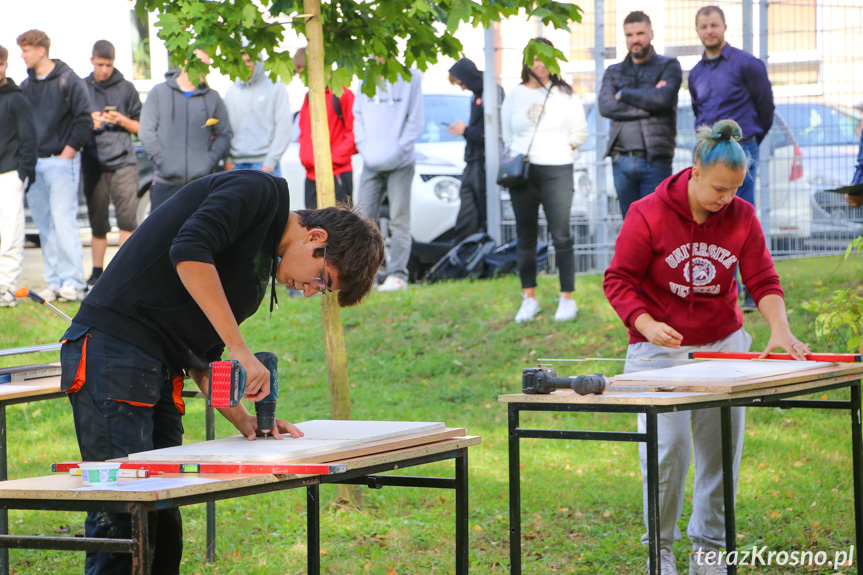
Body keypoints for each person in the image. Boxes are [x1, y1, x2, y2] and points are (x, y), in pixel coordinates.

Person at [59, 169, 384, 574]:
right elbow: (189, 249)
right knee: (123, 514)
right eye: (322, 280)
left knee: (161, 509)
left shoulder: (255, 276)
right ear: (316, 238)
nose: (309, 290)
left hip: (156, 367)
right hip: (113, 348)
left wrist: (246, 421)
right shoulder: (260, 191)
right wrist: (242, 350)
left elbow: (202, 355)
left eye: (322, 290)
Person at [603, 120, 810, 575]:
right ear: (694, 170)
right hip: (658, 351)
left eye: (735, 189)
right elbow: (618, 280)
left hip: (723, 346)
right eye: (719, 187)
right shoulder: (647, 212)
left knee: (720, 449)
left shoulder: (742, 216)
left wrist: (780, 329)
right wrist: (645, 322)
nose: (726, 198)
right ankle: (658, 548)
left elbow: (763, 279)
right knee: (668, 450)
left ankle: (710, 549)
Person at [689, 5, 774, 312]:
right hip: (709, 156)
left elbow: (765, 106)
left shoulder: (746, 64)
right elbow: (699, 113)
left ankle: (754, 292)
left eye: (714, 25)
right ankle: (724, 290)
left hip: (742, 152)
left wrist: (749, 144)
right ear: (697, 31)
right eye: (703, 26)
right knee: (711, 221)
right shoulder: (696, 73)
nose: (709, 30)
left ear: (724, 27)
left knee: (743, 220)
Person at [500, 38, 588, 323]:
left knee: (561, 235)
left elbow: (580, 133)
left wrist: (560, 150)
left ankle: (567, 297)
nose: (539, 63)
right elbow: (508, 134)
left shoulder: (566, 94)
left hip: (557, 169)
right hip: (524, 173)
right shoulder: (515, 95)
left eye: (545, 57)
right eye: (534, 57)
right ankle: (529, 298)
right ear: (527, 61)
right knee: (525, 236)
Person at [17, 29, 92, 302]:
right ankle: (55, 281)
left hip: (61, 162)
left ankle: (73, 282)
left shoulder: (68, 79)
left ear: (41, 50)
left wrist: (66, 155)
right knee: (44, 226)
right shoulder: (25, 86)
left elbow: (85, 119)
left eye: (25, 50)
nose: (22, 56)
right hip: (35, 166)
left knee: (64, 224)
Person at [598, 11, 682, 218]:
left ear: (651, 34)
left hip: (655, 161)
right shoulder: (613, 71)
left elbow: (663, 99)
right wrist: (649, 101)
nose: (635, 39)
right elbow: (606, 107)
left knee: (657, 223)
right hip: (622, 161)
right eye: (629, 35)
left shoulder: (669, 66)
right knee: (630, 225)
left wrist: (624, 94)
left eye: (640, 33)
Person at [354, 65, 424, 292]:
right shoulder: (365, 74)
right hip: (370, 160)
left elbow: (415, 119)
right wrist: (364, 146)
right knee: (362, 220)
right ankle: (366, 275)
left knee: (399, 219)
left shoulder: (410, 75)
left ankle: (398, 275)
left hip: (401, 161)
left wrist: (399, 148)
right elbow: (358, 116)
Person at [139, 50, 232, 211]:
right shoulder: (159, 92)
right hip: (165, 183)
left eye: (208, 67)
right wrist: (162, 160)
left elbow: (224, 134)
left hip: (201, 185)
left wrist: (207, 161)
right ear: (186, 63)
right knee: (163, 235)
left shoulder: (212, 97)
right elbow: (146, 131)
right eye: (201, 65)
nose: (206, 71)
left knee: (200, 235)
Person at [82, 40, 142, 288]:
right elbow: (72, 126)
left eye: (108, 65)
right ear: (92, 60)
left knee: (127, 221)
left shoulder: (126, 88)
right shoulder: (82, 87)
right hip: (94, 161)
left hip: (123, 163)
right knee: (98, 222)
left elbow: (142, 127)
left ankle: (123, 273)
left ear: (114, 62)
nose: (104, 69)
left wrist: (121, 120)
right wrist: (89, 122)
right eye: (99, 64)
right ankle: (97, 273)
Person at [294, 48, 357, 209]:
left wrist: (331, 159)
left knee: (339, 228)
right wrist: (305, 157)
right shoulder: (308, 97)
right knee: (311, 227)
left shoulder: (342, 94)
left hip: (337, 174)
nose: (302, 79)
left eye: (304, 73)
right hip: (311, 176)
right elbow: (303, 133)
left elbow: (354, 133)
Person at [447, 57, 501, 242]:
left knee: (486, 215)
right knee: (467, 217)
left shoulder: (492, 92)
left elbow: (494, 134)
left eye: (461, 83)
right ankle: (463, 257)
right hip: (472, 163)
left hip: (484, 165)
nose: (462, 88)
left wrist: (466, 131)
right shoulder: (476, 95)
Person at [0, 44, 37, 308]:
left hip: (10, 173)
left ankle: (6, 288)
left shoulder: (16, 98)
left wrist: (23, 174)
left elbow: (29, 138)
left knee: (10, 233)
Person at [223, 51, 292, 177]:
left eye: (249, 60)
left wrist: (270, 163)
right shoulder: (231, 92)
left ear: (258, 61)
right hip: (235, 165)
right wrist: (228, 159)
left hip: (264, 165)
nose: (246, 65)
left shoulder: (275, 87)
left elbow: (284, 128)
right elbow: (225, 129)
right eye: (242, 62)